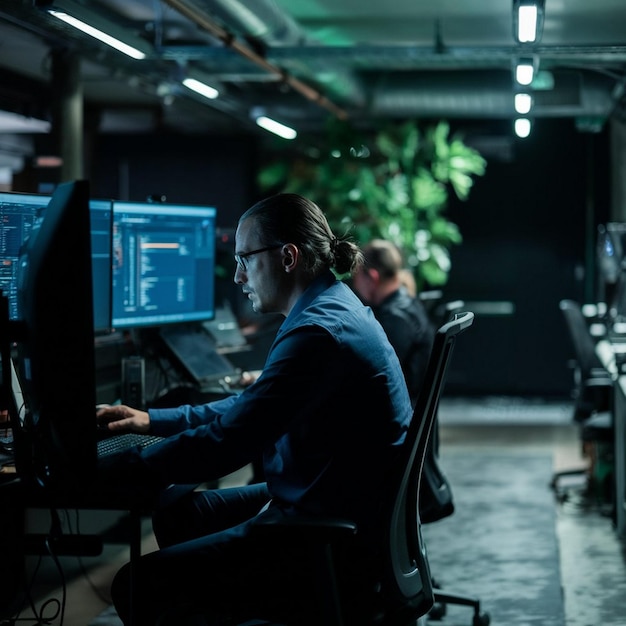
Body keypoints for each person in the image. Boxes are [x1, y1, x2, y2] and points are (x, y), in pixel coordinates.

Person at [96, 193, 413, 625]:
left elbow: (232, 440)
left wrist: (120, 468)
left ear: (288, 256)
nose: (239, 275)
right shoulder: (331, 306)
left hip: (331, 530)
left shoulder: (317, 331)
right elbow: (252, 405)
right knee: (183, 516)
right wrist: (152, 421)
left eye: (246, 258)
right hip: (338, 502)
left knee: (135, 586)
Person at [352, 239, 435, 407]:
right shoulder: (407, 305)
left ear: (372, 277)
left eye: (357, 274)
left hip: (396, 415)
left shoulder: (395, 319)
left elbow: (375, 376)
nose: (354, 282)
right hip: (406, 408)